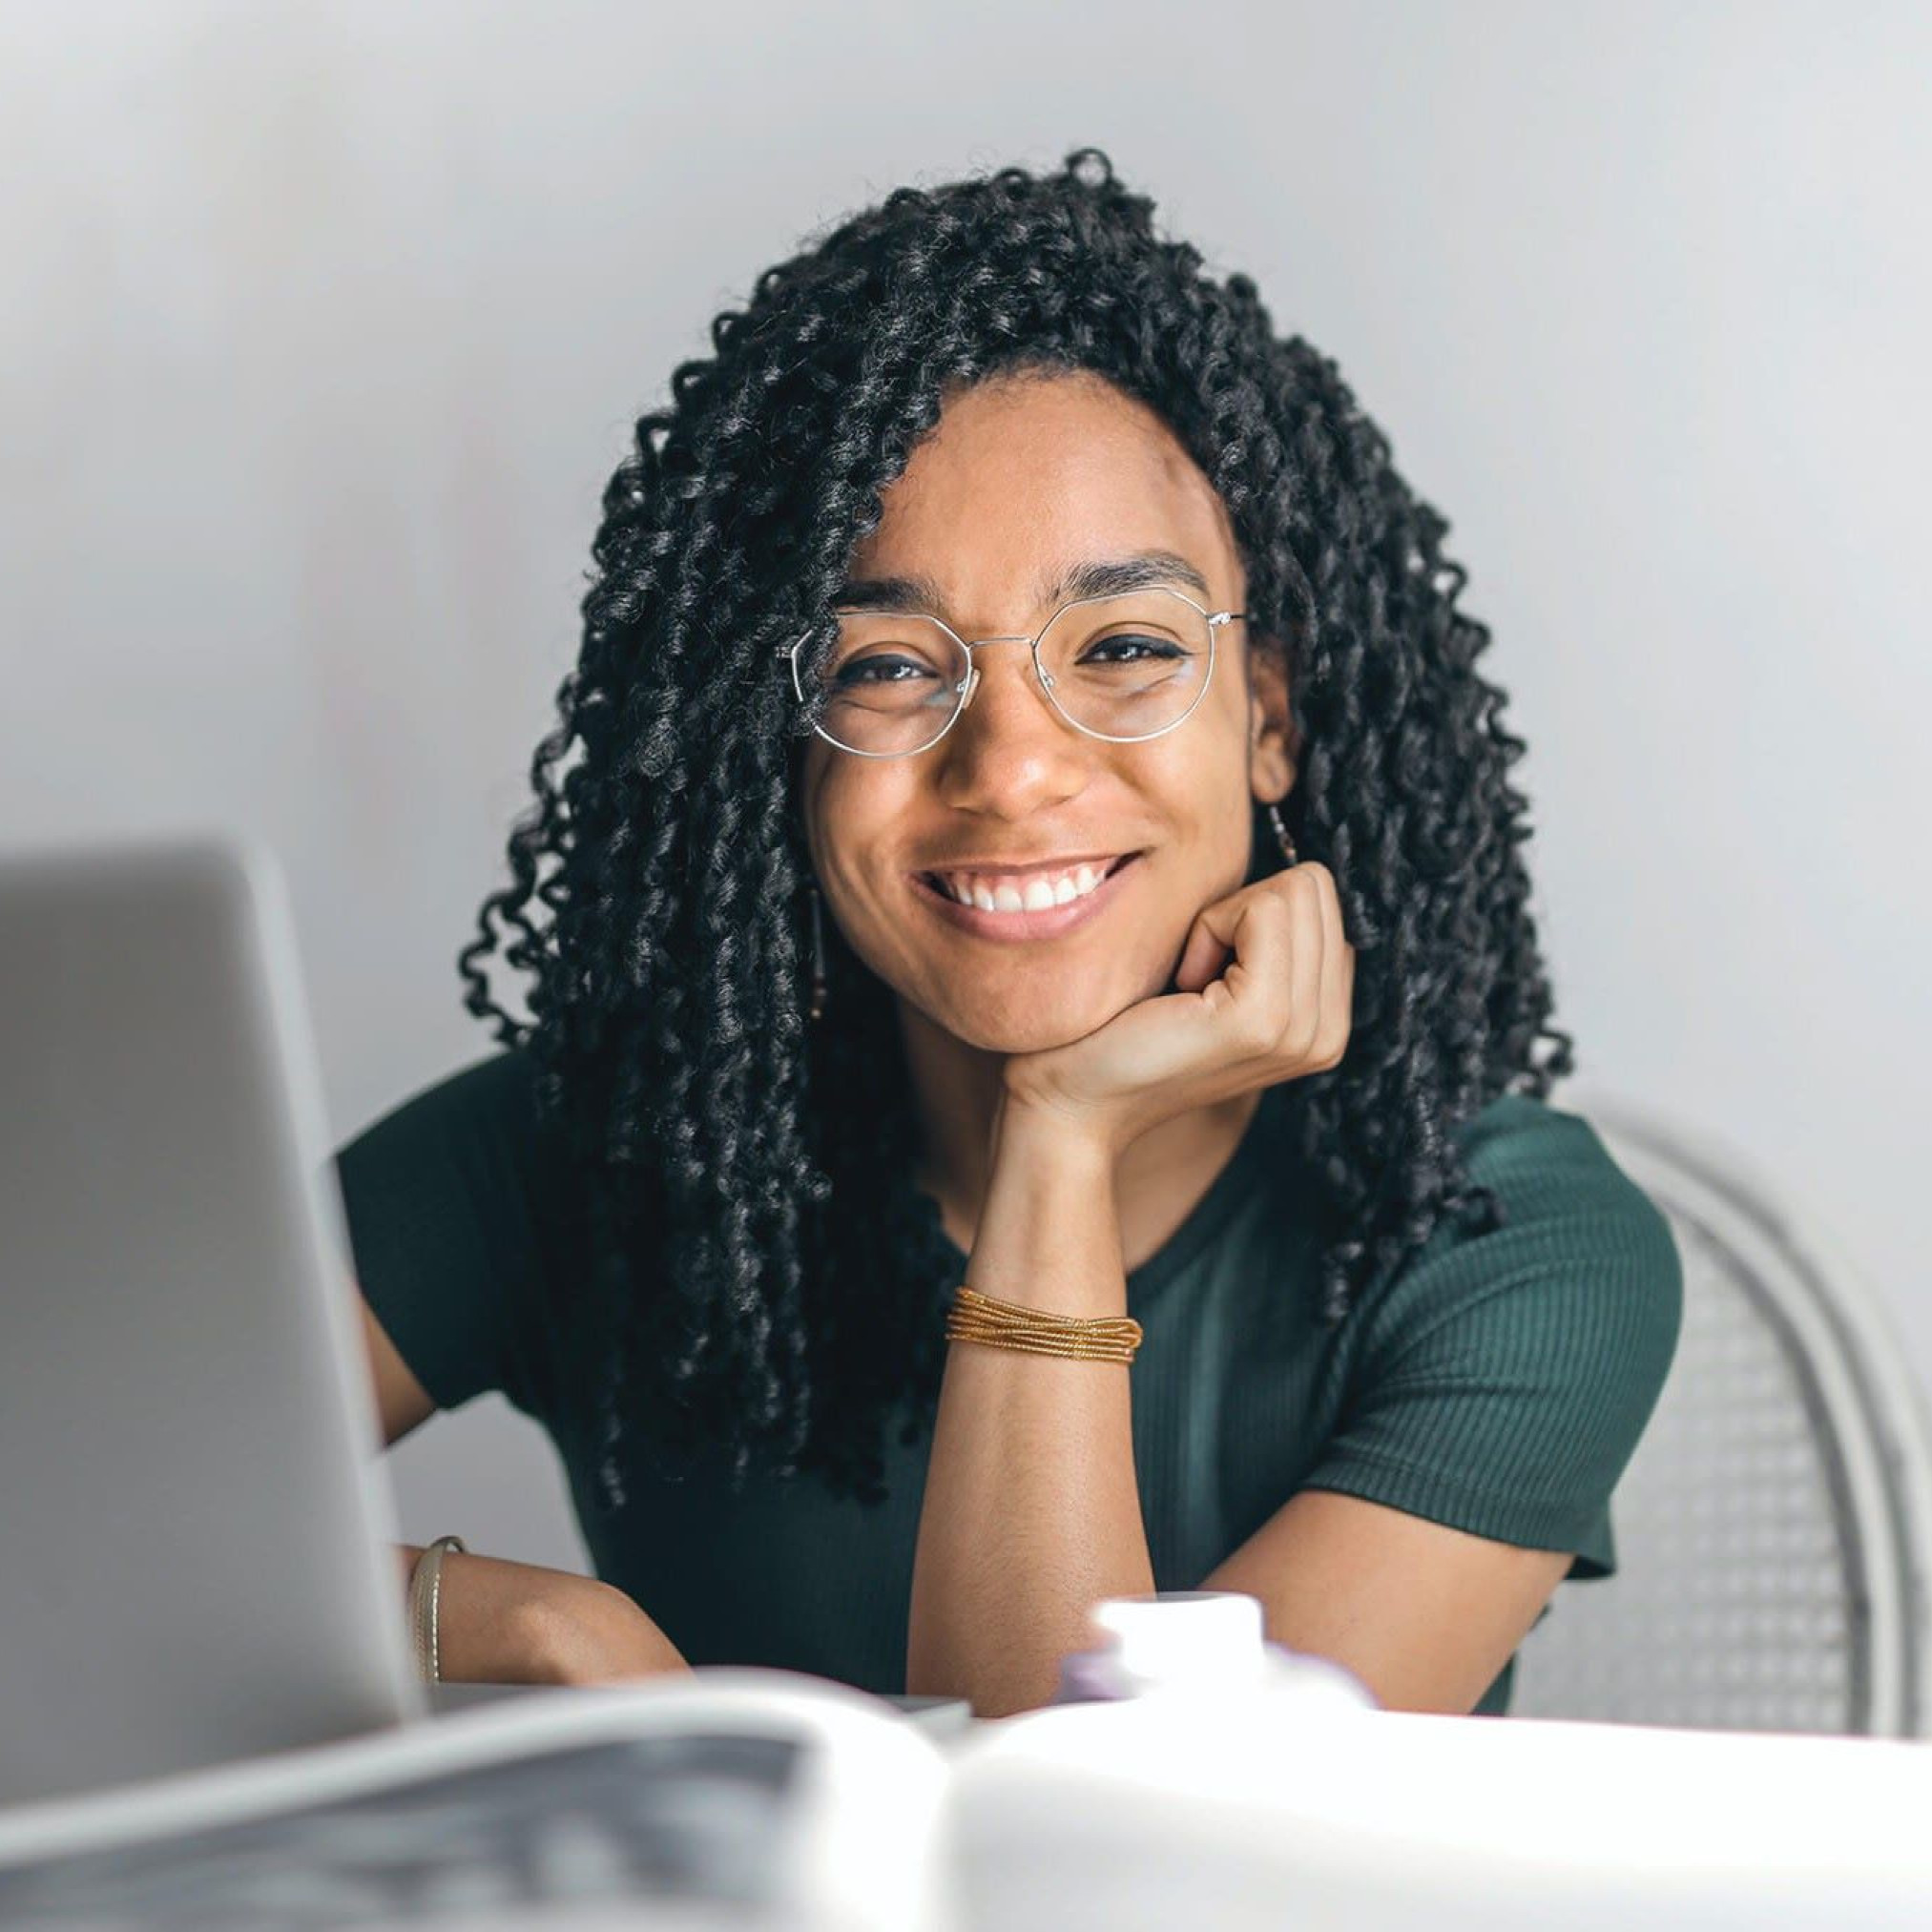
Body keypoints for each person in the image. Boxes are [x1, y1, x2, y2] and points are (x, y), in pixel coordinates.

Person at [336, 149, 1682, 1719]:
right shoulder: (593, 1148)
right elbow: (65, 1508)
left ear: (1270, 717)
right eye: (887, 668)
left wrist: (1061, 1137)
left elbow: (1105, 1861)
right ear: (774, 745)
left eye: (1119, 645)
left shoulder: (1503, 1243)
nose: (1013, 766)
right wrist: (516, 1622)